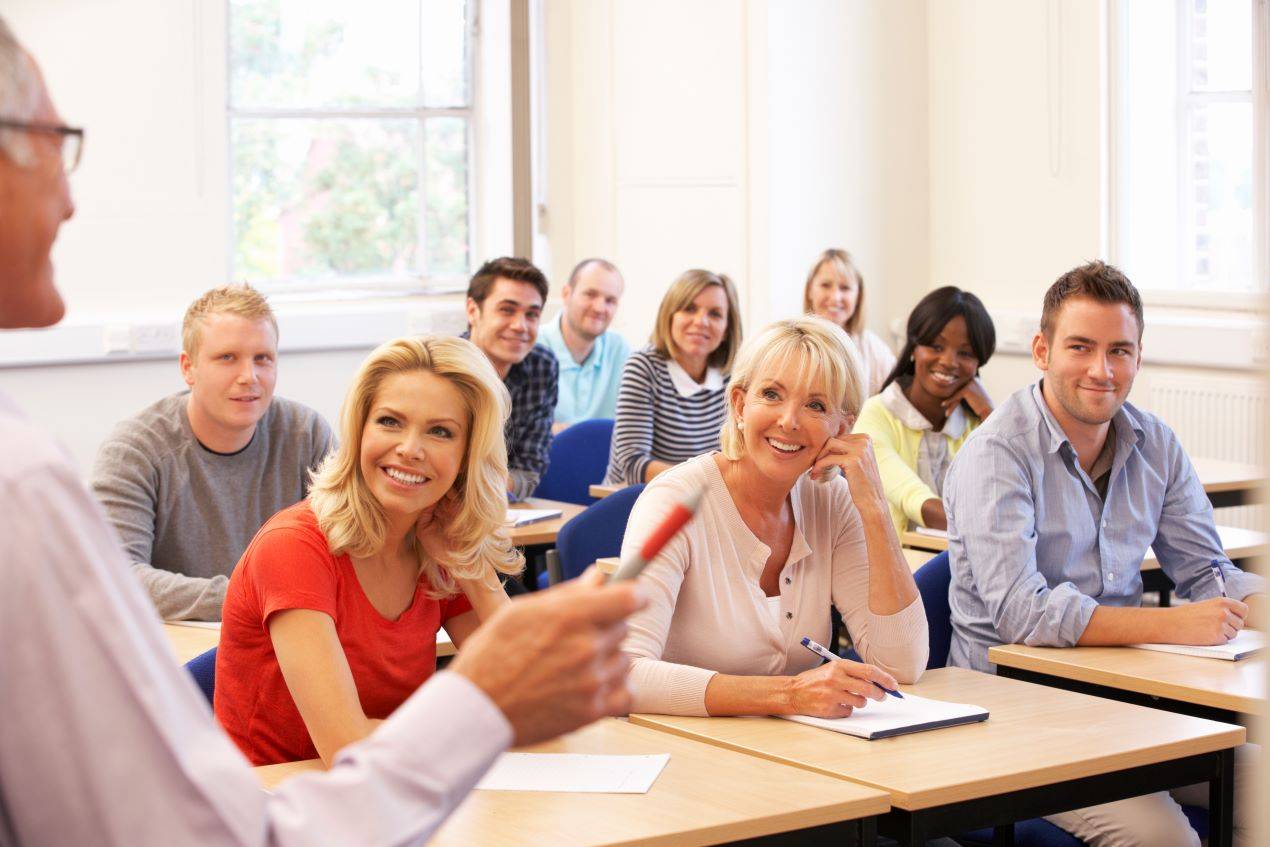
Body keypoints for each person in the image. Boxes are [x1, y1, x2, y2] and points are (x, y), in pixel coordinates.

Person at [0, 17, 645, 844]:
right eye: (55, 144)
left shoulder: (399, 514)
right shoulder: (36, 482)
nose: (70, 196)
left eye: (442, 434)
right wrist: (482, 703)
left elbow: (517, 687)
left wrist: (483, 578)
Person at [944, 261, 1263, 847]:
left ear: (1139, 357)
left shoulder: (1155, 443)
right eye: (1081, 347)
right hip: (1016, 716)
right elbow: (1022, 613)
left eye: (1120, 350)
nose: (1102, 369)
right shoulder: (998, 454)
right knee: (1166, 840)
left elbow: (1207, 573)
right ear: (1041, 350)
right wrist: (1171, 625)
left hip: (1122, 705)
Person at [216, 334, 525, 765]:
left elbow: (530, 698)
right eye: (390, 422)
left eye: (440, 432)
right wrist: (464, 724)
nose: (410, 449)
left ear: (468, 455)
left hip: (391, 797)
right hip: (274, 810)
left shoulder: (435, 544)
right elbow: (347, 746)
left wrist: (470, 563)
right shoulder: (294, 547)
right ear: (359, 429)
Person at [621, 316, 927, 716]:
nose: (789, 420)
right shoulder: (674, 501)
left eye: (816, 405)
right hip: (686, 757)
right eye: (771, 395)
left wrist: (875, 509)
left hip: (794, 756)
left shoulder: (830, 500)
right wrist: (790, 695)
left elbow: (901, 666)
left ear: (844, 426)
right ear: (739, 405)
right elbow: (622, 674)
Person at [90, 284, 334, 621]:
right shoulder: (134, 450)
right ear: (188, 368)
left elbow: (346, 551)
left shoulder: (306, 434)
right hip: (179, 653)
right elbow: (117, 577)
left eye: (262, 359)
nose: (249, 377)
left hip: (287, 636)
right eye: (227, 358)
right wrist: (251, 595)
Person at [853, 286, 995, 535]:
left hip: (962, 566)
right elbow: (915, 501)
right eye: (936, 347)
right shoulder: (876, 415)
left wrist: (989, 413)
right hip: (899, 566)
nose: (949, 362)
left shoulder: (979, 426)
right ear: (914, 348)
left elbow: (1016, 496)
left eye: (965, 353)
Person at [605, 269, 742, 486]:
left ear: (726, 329)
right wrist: (710, 481)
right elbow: (632, 466)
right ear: (669, 316)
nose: (701, 321)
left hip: (701, 504)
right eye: (689, 309)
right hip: (636, 503)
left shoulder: (733, 378)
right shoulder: (644, 366)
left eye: (715, 314)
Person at [462, 256, 557, 500]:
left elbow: (529, 469)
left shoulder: (542, 367)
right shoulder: (440, 368)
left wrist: (485, 487)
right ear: (473, 310)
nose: (520, 326)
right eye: (507, 310)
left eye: (532, 314)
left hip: (501, 509)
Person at [538, 257, 631, 430]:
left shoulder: (619, 350)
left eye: (610, 300)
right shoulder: (533, 346)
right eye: (590, 294)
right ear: (566, 294)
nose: (599, 308)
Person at [803, 249, 896, 395]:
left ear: (858, 296)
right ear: (810, 290)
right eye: (826, 285)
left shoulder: (874, 350)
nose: (835, 297)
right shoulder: (792, 343)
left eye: (845, 288)